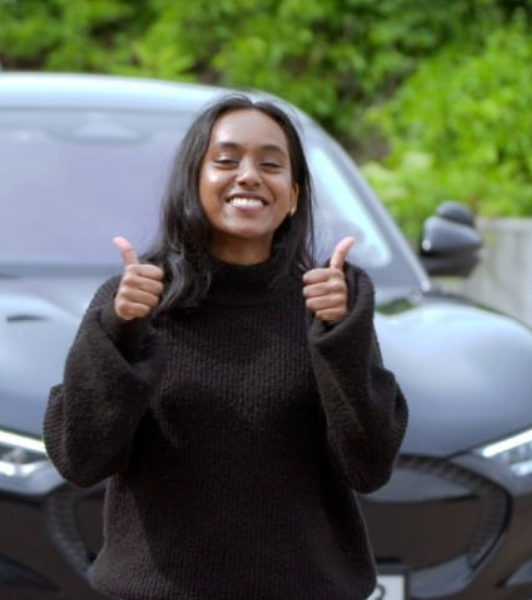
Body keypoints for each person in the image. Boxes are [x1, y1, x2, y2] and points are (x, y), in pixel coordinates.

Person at [43, 94, 409, 600]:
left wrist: (338, 333)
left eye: (271, 164)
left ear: (294, 195)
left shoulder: (330, 301)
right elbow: (78, 457)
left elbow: (369, 467)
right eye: (226, 160)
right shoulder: (137, 299)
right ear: (195, 180)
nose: (249, 175)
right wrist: (119, 328)